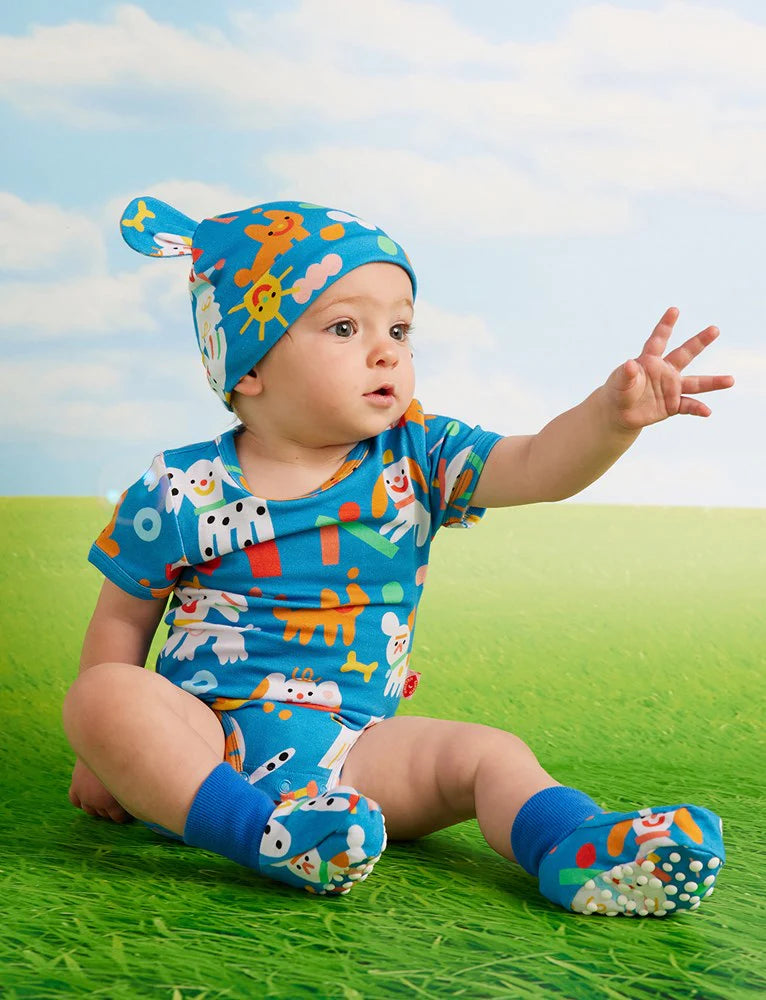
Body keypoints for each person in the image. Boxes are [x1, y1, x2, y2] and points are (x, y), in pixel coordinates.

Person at [63, 195, 731, 915]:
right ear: (248, 366)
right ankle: (259, 835)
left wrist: (610, 419)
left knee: (487, 753)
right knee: (103, 695)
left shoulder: (419, 454)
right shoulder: (180, 488)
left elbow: (538, 464)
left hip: (353, 756)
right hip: (197, 748)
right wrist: (103, 754)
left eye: (401, 328)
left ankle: (571, 844)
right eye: (345, 327)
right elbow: (123, 621)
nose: (387, 350)